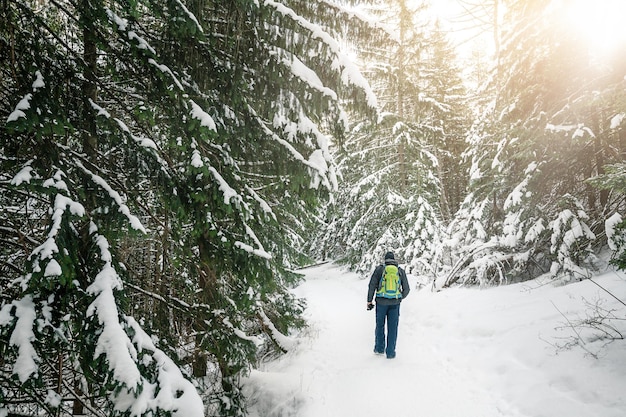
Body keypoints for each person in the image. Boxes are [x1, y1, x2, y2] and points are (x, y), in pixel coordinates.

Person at [366, 251, 410, 359]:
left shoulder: (380, 269)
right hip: (395, 303)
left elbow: (372, 285)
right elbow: (407, 289)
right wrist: (399, 297)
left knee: (380, 325)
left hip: (381, 302)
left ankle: (379, 348)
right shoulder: (400, 271)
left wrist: (369, 300)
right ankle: (390, 352)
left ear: (385, 260)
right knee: (393, 327)